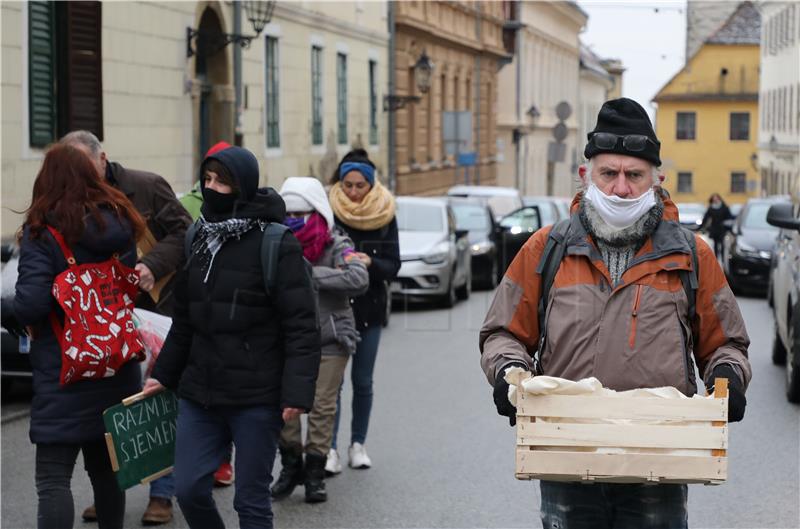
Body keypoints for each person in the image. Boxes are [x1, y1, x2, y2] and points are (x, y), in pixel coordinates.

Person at [479, 98, 751, 529]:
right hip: (565, 449)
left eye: (634, 175)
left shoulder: (692, 254)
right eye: (609, 173)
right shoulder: (545, 248)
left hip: (658, 455)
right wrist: (508, 371)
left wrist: (727, 377)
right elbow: (502, 332)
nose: (621, 189)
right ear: (587, 175)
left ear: (656, 180)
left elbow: (725, 342)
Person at [142, 146, 320, 529]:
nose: (211, 188)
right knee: (188, 489)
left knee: (250, 501)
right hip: (199, 393)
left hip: (256, 397)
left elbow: (302, 325)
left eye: (221, 181)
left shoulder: (276, 243)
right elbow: (185, 318)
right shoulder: (199, 237)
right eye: (207, 179)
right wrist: (164, 372)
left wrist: (296, 392)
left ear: (242, 185)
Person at [0, 143, 146, 529]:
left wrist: (6, 307)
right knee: (106, 470)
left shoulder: (44, 233)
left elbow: (30, 305)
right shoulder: (120, 222)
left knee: (53, 478)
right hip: (116, 365)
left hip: (65, 370)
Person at [60, 130, 192, 525]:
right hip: (105, 324)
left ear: (103, 159)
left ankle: (162, 494)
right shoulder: (68, 197)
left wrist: (152, 266)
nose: (81, 175)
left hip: (157, 310)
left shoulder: (146, 186)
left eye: (86, 165)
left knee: (157, 401)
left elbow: (186, 232)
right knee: (110, 408)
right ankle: (109, 491)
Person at [272, 177, 369, 502]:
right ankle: (290, 465)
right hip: (284, 339)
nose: (295, 220)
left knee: (323, 406)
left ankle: (315, 472)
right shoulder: (275, 243)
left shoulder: (337, 244)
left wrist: (310, 275)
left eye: (303, 213)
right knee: (284, 405)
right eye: (289, 213)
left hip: (331, 337)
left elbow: (358, 277)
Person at [325, 150, 400, 473]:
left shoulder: (385, 214)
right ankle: (328, 448)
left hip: (369, 308)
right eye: (347, 185)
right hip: (335, 309)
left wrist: (370, 262)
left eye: (359, 185)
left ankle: (358, 444)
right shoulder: (329, 212)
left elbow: (394, 265)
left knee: (363, 380)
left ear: (371, 185)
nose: (353, 192)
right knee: (333, 383)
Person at [702, 192, 734, 257]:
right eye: (714, 198)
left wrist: (728, 224)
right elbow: (706, 218)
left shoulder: (724, 207)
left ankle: (722, 257)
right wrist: (702, 226)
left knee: (722, 243)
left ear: (719, 199)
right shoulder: (711, 208)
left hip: (722, 229)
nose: (715, 200)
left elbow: (729, 216)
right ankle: (716, 257)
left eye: (716, 198)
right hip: (714, 228)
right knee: (715, 244)